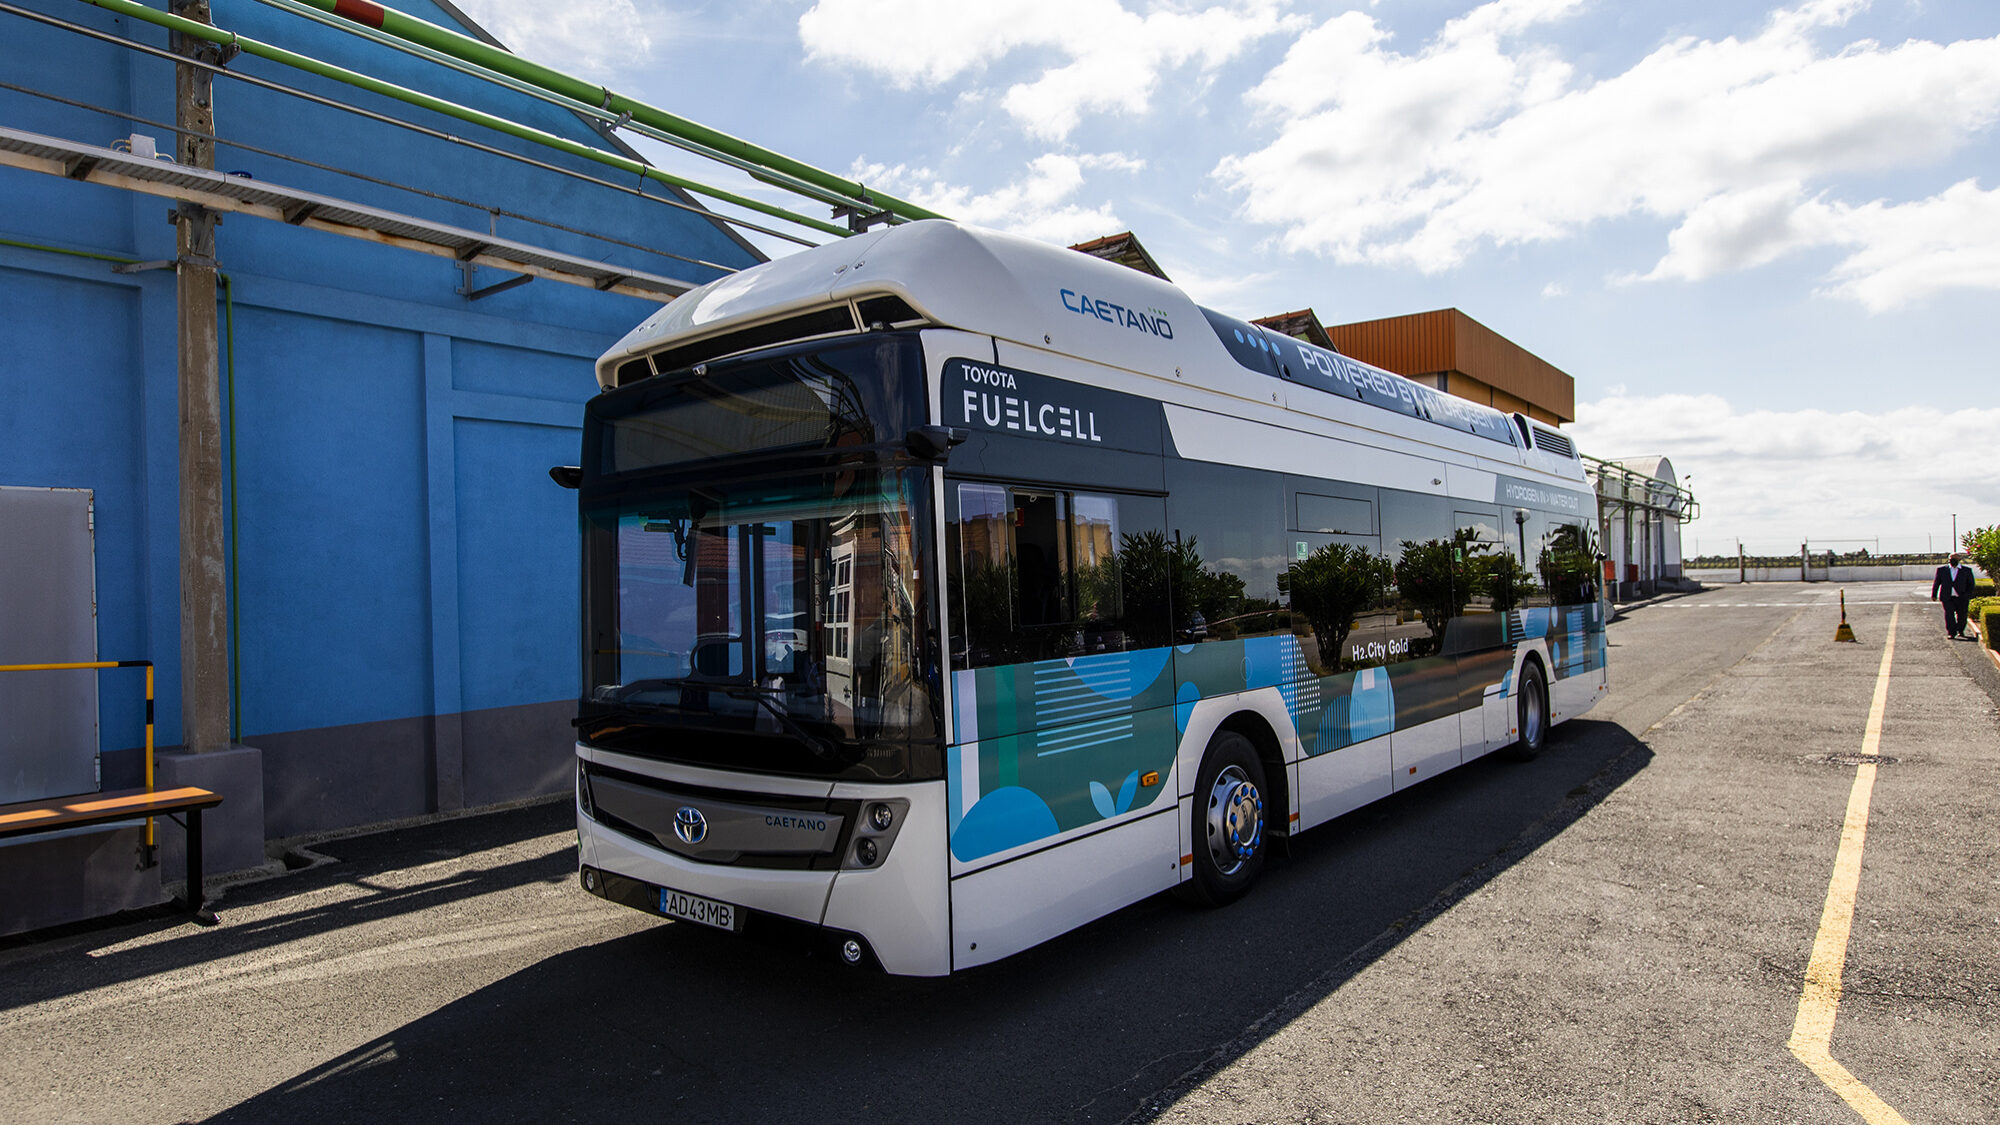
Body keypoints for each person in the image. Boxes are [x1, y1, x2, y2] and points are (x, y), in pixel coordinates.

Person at [1931, 553, 1977, 639]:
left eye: (1955, 558)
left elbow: (1971, 584)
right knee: (1949, 615)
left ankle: (1960, 630)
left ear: (1959, 559)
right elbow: (1937, 583)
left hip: (1962, 597)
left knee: (1962, 615)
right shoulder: (1942, 570)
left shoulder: (1966, 570)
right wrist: (1934, 594)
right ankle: (1951, 633)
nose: (1953, 560)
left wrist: (1967, 595)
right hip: (1947, 597)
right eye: (1951, 559)